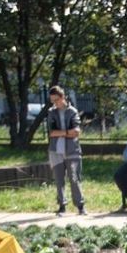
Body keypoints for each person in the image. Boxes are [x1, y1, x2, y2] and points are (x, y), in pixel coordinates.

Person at [46, 86, 85, 216]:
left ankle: (80, 206)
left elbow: (77, 132)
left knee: (74, 178)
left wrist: (61, 133)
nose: (55, 103)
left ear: (63, 97)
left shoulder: (72, 111)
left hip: (72, 150)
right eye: (52, 101)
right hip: (55, 151)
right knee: (59, 179)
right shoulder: (51, 112)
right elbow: (51, 132)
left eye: (56, 100)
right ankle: (62, 206)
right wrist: (68, 132)